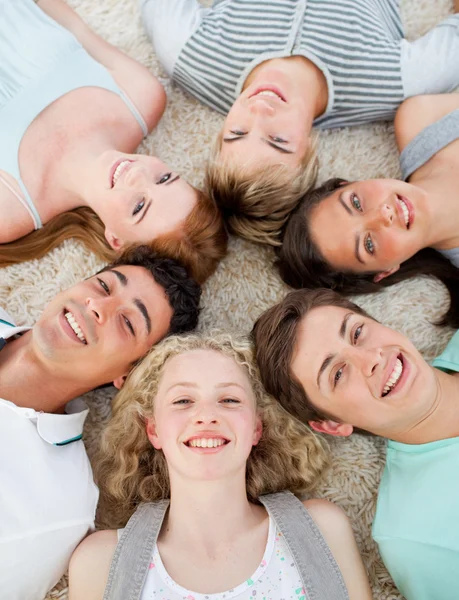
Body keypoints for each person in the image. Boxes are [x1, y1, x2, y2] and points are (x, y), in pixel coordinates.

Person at [68, 332, 372, 600]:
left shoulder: (322, 529)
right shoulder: (100, 563)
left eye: (229, 400)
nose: (206, 416)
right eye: (183, 401)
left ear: (256, 428)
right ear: (154, 431)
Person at [140, 0, 459, 245]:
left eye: (236, 133)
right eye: (278, 140)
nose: (259, 111)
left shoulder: (192, 57)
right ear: (310, 150)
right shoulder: (393, 82)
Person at [0, 244, 201, 600]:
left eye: (127, 322)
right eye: (104, 287)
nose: (97, 306)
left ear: (130, 373)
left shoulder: (59, 508)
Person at [253, 287, 459, 600]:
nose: (371, 358)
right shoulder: (413, 536)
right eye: (337, 374)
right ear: (333, 425)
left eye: (357, 332)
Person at [0, 0, 227, 283]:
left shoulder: (9, 211)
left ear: (116, 240)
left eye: (139, 207)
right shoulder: (141, 97)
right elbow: (72, 24)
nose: (138, 174)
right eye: (165, 178)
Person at [278, 93, 459, 327]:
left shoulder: (421, 119)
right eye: (368, 244)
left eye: (356, 203)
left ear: (349, 183)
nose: (383, 214)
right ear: (385, 271)